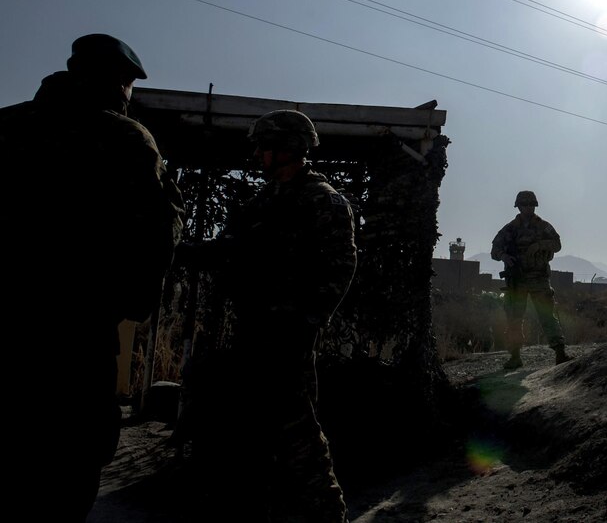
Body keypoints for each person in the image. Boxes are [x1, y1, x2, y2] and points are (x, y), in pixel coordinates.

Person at [0, 33, 184, 520]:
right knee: (68, 463)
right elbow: (159, 227)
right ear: (117, 81)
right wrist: (127, 302)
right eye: (127, 83)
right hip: (76, 336)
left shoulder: (7, 125)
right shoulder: (123, 138)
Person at [179, 109, 357, 523]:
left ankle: (328, 516)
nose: (257, 153)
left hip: (288, 340)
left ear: (289, 148)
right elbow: (232, 249)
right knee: (256, 439)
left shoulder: (321, 199)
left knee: (300, 441)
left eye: (264, 146)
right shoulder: (265, 201)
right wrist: (186, 251)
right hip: (255, 332)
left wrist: (308, 321)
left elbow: (341, 265)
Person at [491, 190, 572, 369]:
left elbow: (557, 244)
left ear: (535, 206)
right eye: (524, 205)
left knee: (546, 316)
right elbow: (494, 250)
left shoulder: (543, 226)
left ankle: (560, 352)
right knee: (514, 317)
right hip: (517, 281)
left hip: (539, 278)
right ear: (518, 206)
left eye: (530, 205)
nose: (528, 208)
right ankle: (515, 357)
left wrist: (539, 245)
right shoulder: (510, 229)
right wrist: (504, 256)